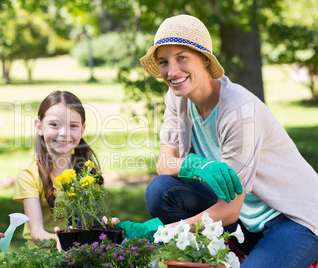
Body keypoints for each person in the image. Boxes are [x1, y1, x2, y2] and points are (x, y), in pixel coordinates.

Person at [116, 14, 318, 267]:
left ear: (204, 60)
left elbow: (229, 209)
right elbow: (164, 163)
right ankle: (217, 253)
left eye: (182, 58)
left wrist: (159, 232)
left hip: (293, 216)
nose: (172, 71)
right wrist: (196, 165)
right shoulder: (177, 97)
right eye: (164, 62)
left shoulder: (239, 111)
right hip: (245, 219)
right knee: (160, 191)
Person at [14, 90, 110, 250]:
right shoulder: (29, 172)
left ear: (82, 129)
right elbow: (37, 233)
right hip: (43, 257)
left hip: (80, 254)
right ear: (39, 126)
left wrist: (106, 224)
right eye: (54, 124)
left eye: (73, 126)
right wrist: (64, 242)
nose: (64, 133)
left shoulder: (86, 172)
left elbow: (93, 222)